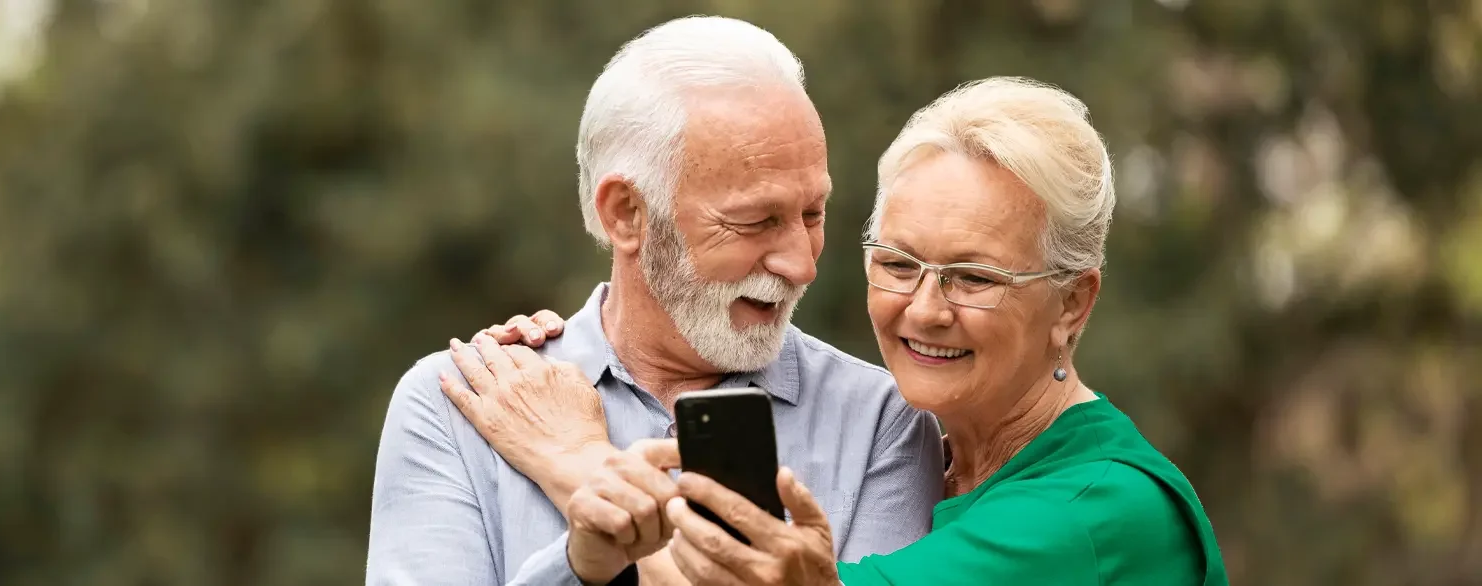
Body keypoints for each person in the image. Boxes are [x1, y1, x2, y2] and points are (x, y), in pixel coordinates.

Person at [453, 76, 1230, 585]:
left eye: (974, 278)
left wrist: (577, 457)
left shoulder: (1099, 512)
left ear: (1072, 304)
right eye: (898, 263)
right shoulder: (915, 441)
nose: (924, 308)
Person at [364, 16, 946, 586]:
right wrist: (578, 565)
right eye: (754, 220)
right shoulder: (452, 404)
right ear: (626, 214)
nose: (803, 264)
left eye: (812, 213)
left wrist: (578, 466)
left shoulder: (884, 422)